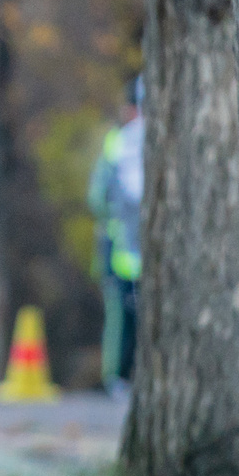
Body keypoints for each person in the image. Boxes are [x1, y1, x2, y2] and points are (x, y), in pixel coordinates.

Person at [88, 75, 144, 398]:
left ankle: (118, 378)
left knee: (121, 317)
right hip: (136, 250)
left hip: (118, 247)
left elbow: (97, 196)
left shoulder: (118, 142)